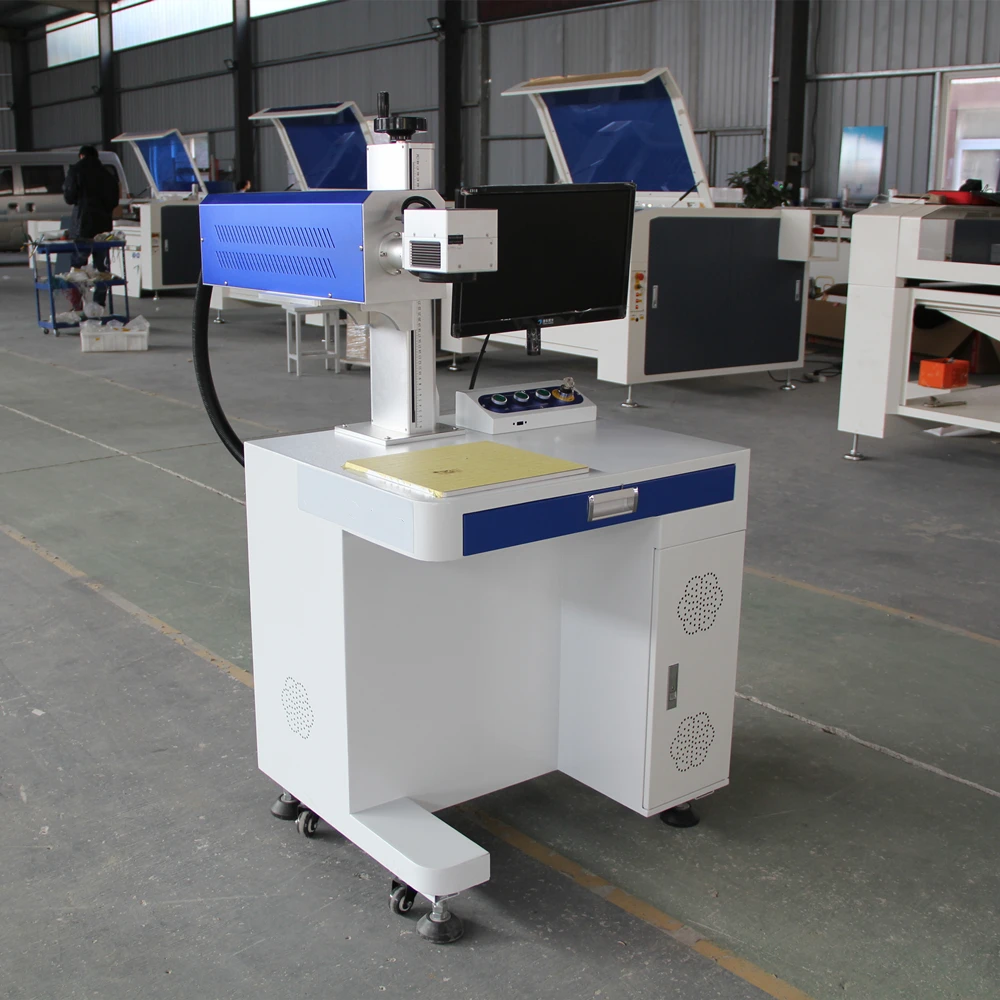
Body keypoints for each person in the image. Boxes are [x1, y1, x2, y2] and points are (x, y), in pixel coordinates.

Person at [63, 145, 120, 309]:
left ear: (81, 156)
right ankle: (98, 305)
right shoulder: (107, 175)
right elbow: (114, 201)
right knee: (102, 270)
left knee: (77, 269)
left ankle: (77, 305)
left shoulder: (76, 170)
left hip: (82, 227)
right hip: (103, 228)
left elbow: (69, 197)